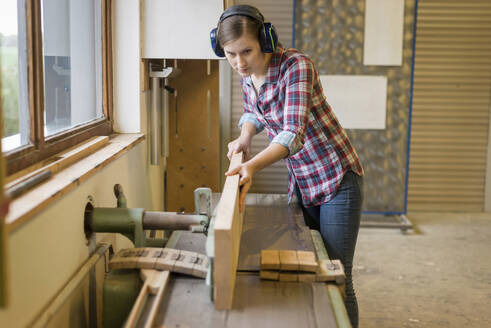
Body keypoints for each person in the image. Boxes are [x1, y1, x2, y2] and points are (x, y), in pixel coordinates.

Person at [210, 4, 364, 327]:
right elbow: (254, 113)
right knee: (309, 263)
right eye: (230, 54)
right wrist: (244, 138)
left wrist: (250, 166)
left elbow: (293, 134)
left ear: (265, 40)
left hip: (337, 180)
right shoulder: (248, 75)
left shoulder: (296, 67)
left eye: (247, 51)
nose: (239, 63)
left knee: (335, 272)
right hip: (304, 181)